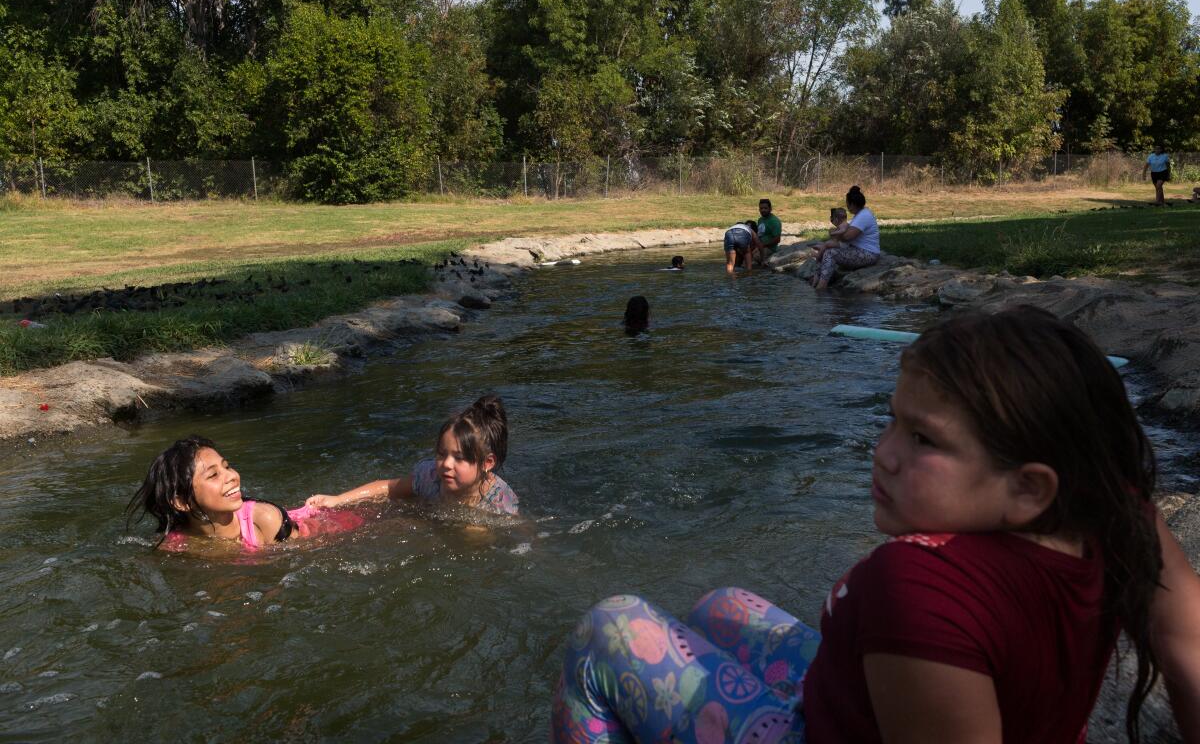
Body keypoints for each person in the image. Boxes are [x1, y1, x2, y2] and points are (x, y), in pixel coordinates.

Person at [551, 306, 1200, 744]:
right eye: (892, 420)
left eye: (923, 439)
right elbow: (1190, 655)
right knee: (720, 609)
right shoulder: (1117, 511)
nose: (883, 451)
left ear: (1028, 487)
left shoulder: (918, 584)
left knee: (610, 627)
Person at [126, 436, 364, 551]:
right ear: (181, 502)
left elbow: (312, 549)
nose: (232, 476)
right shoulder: (176, 545)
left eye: (226, 466)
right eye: (213, 475)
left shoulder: (266, 520)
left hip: (331, 525)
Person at [306, 395, 518, 516]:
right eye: (442, 454)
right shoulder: (431, 476)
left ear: (487, 463)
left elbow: (518, 528)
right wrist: (338, 500)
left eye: (459, 458)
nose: (446, 464)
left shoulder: (499, 501)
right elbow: (387, 487)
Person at [810, 186, 880, 289]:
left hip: (868, 254)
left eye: (847, 203)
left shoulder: (864, 216)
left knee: (830, 253)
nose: (846, 205)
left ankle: (821, 287)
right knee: (828, 250)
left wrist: (834, 233)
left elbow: (847, 237)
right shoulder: (860, 214)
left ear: (852, 204)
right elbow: (845, 234)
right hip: (859, 250)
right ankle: (817, 279)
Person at [754, 198, 783, 266]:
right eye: (761, 208)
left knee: (755, 257)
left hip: (770, 248)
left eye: (765, 208)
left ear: (770, 209)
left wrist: (763, 245)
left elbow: (777, 240)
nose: (763, 210)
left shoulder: (775, 222)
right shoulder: (760, 220)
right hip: (760, 246)